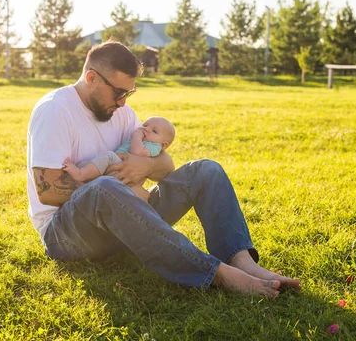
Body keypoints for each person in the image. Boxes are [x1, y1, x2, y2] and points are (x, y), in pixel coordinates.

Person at [26, 41, 301, 297]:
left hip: (126, 224)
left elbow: (166, 167)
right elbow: (48, 192)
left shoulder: (120, 112)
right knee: (104, 189)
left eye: (129, 92)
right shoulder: (56, 110)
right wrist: (114, 185)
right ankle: (218, 274)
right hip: (67, 235)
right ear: (91, 78)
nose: (123, 101)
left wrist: (144, 165)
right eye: (119, 92)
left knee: (205, 170)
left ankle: (241, 261)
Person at [62, 115, 175, 182]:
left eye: (154, 131)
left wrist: (136, 136)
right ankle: (81, 174)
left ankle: (80, 174)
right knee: (86, 163)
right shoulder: (143, 139)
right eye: (145, 125)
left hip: (121, 169)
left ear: (164, 145)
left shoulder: (154, 146)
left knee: (109, 156)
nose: (147, 129)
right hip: (116, 167)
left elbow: (138, 152)